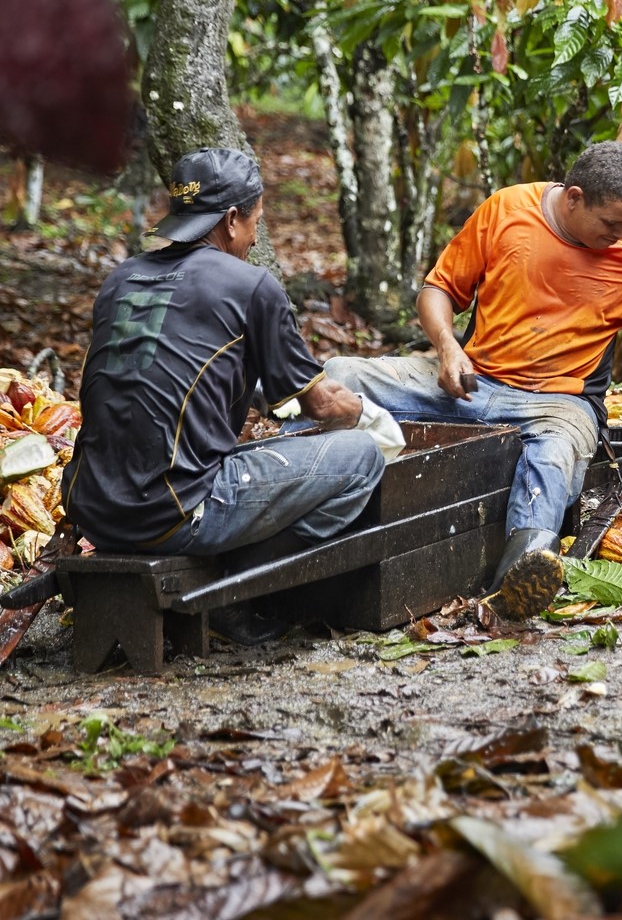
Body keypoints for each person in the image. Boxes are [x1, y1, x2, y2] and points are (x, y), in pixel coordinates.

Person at [321, 140, 622, 621]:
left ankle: (521, 574)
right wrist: (449, 349)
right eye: (612, 224)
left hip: (558, 402)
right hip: (472, 381)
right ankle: (284, 494)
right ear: (574, 197)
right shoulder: (508, 210)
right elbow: (438, 290)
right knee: (339, 374)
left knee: (554, 454)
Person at [63, 148, 391, 643]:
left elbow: (157, 368)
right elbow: (321, 404)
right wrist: (369, 414)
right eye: (257, 222)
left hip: (93, 507)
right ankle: (231, 590)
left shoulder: (120, 279)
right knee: (363, 458)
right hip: (171, 514)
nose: (257, 237)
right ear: (233, 219)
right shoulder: (252, 285)